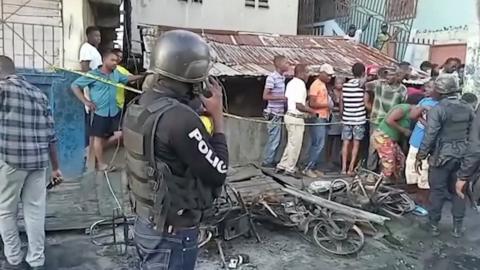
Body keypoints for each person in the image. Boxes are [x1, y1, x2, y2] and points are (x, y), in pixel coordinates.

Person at [122, 30, 229, 270]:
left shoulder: (139, 106)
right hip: (172, 236)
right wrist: (218, 117)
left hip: (146, 222)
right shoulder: (180, 119)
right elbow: (218, 171)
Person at [0, 56, 62, 270]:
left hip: (11, 160)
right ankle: (36, 260)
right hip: (39, 162)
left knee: (6, 210)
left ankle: (14, 259)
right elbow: (51, 135)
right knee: (35, 212)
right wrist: (56, 167)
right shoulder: (38, 93)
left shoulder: (3, 88)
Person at [415, 74, 475, 238]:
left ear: (441, 91)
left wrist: (420, 156)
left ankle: (433, 224)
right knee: (459, 191)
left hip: (442, 157)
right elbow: (472, 133)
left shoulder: (438, 109)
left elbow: (430, 135)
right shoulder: (467, 107)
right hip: (462, 156)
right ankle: (457, 227)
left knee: (437, 191)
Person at [71, 50, 143, 171]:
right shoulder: (93, 74)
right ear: (104, 61)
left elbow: (127, 79)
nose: (115, 63)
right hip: (99, 111)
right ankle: (101, 164)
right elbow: (74, 85)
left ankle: (92, 150)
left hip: (114, 110)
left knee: (120, 135)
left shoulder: (116, 74)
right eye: (112, 60)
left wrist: (143, 76)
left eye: (116, 60)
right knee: (97, 138)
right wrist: (86, 101)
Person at [276, 64, 316, 178]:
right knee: (296, 144)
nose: (308, 75)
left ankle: (282, 165)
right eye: (307, 72)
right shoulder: (300, 84)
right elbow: (299, 106)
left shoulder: (290, 83)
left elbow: (289, 100)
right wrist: (312, 111)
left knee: (291, 143)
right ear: (301, 72)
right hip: (296, 117)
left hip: (288, 115)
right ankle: (290, 168)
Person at [405, 80, 439, 206]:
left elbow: (433, 126)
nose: (426, 89)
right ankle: (413, 196)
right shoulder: (424, 101)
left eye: (430, 87)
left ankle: (423, 197)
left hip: (428, 143)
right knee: (411, 167)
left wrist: (425, 122)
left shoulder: (440, 105)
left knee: (424, 170)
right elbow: (412, 115)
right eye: (427, 87)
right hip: (416, 139)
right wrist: (422, 109)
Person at [365, 69, 407, 171]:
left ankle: (384, 173)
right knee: (373, 147)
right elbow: (364, 85)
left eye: (391, 75)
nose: (388, 77)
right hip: (376, 121)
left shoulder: (402, 90)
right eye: (387, 75)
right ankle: (370, 171)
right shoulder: (379, 84)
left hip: (391, 124)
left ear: (397, 76)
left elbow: (401, 106)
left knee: (388, 149)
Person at [373, 104, 425, 182]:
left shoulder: (413, 113)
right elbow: (389, 120)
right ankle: (381, 182)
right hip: (383, 136)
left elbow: (422, 121)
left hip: (391, 138)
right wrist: (403, 130)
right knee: (389, 162)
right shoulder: (403, 109)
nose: (415, 119)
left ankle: (393, 180)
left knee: (400, 159)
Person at [303, 64, 335, 178]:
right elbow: (312, 103)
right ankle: (308, 167)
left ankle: (314, 166)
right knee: (318, 144)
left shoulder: (323, 85)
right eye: (328, 75)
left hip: (323, 116)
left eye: (331, 76)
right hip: (318, 117)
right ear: (321, 73)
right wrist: (327, 104)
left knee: (319, 144)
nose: (330, 77)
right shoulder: (316, 85)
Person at [261, 55, 289, 168]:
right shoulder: (272, 78)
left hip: (280, 113)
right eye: (286, 63)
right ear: (279, 64)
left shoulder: (282, 78)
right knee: (274, 139)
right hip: (273, 113)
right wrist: (282, 97)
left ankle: (271, 160)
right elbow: (265, 96)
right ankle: (267, 161)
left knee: (277, 140)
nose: (288, 65)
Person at [340, 63, 368, 175]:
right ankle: (351, 169)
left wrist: (343, 114)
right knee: (356, 144)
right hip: (359, 119)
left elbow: (342, 101)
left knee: (345, 143)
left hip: (347, 118)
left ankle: (343, 169)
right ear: (362, 72)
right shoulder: (362, 85)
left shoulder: (345, 85)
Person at [325, 77, 344, 169]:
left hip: (341, 119)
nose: (339, 85)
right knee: (330, 139)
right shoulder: (330, 92)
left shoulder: (345, 92)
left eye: (341, 83)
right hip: (332, 117)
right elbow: (328, 105)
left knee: (340, 140)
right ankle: (327, 160)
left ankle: (337, 160)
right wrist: (338, 109)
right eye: (338, 83)